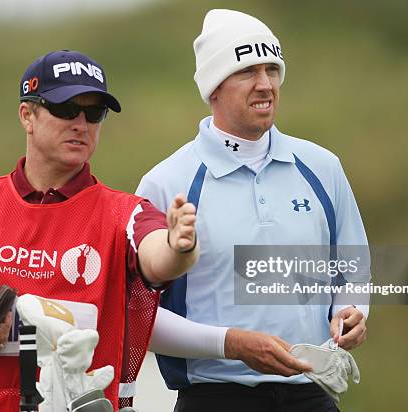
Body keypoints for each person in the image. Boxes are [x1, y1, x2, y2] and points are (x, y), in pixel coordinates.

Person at [0, 49, 198, 412]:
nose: (81, 124)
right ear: (27, 115)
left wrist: (179, 247)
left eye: (94, 113)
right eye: (66, 109)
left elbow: (159, 258)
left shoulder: (126, 213)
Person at [137, 9, 370, 412]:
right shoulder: (166, 182)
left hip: (311, 393)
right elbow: (140, 318)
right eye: (246, 71)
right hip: (214, 398)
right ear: (213, 88)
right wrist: (232, 344)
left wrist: (352, 311)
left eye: (272, 70)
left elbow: (353, 268)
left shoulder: (322, 166)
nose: (265, 85)